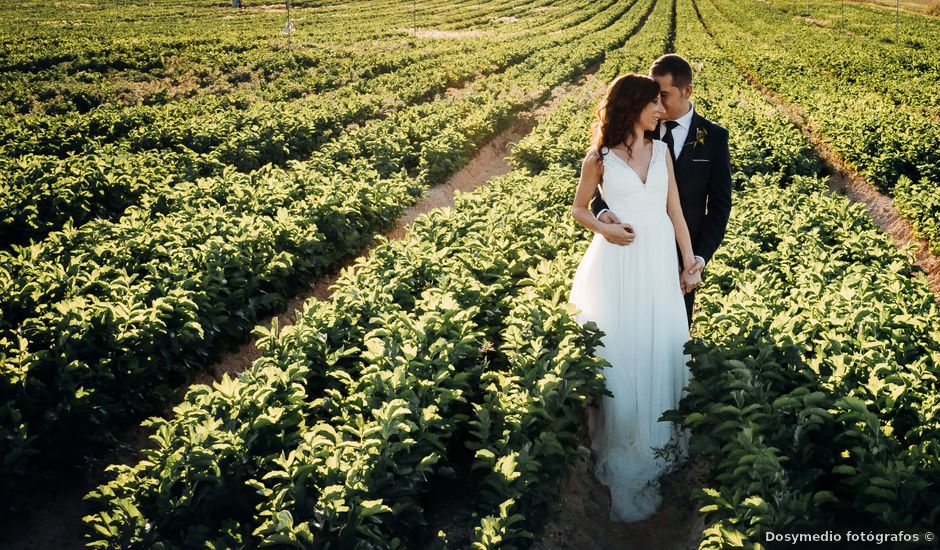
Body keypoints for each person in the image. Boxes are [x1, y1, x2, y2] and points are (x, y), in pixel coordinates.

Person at [568, 73, 697, 523]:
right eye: (654, 104)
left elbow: (676, 213)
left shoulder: (662, 151)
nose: (662, 110)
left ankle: (658, 438)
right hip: (620, 261)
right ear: (633, 105)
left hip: (659, 259)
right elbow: (580, 208)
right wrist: (605, 227)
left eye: (663, 103)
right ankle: (629, 441)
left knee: (659, 340)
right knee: (624, 347)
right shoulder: (598, 158)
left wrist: (688, 261)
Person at [591, 54, 732, 327]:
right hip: (630, 249)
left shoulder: (714, 137)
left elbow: (719, 206)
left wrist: (698, 259)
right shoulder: (641, 127)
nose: (657, 103)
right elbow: (603, 181)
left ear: (687, 91)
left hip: (682, 255)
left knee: (673, 334)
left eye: (663, 95)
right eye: (653, 94)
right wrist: (604, 212)